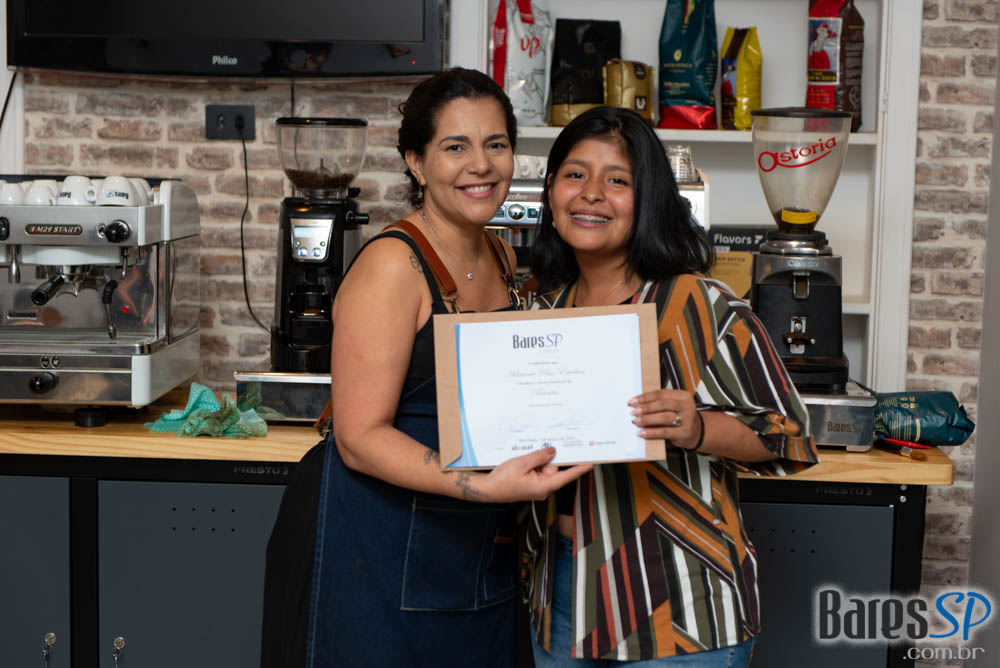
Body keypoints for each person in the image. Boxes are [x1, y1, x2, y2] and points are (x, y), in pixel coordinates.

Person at [259, 67, 590, 668]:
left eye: (495, 144)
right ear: (417, 163)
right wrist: (482, 485)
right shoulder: (393, 266)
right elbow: (359, 438)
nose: (481, 165)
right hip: (372, 547)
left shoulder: (499, 254)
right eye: (455, 147)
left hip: (472, 545)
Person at [523, 106, 820, 666]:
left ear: (650, 200)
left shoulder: (701, 305)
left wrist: (697, 426)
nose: (591, 193)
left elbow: (788, 436)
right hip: (563, 593)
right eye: (575, 174)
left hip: (680, 602)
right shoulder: (541, 314)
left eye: (618, 180)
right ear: (551, 189)